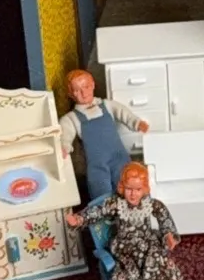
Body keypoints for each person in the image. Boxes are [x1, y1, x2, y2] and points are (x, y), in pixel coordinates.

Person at [66, 162, 201, 280]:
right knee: (127, 279)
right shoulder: (116, 204)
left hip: (149, 247)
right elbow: (97, 211)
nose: (133, 194)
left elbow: (164, 217)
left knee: (164, 275)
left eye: (138, 189)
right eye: (129, 189)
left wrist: (168, 235)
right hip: (127, 248)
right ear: (122, 187)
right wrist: (79, 219)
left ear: (144, 188)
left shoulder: (151, 204)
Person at [60, 68, 150, 201]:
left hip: (119, 157)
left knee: (128, 183)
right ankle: (105, 212)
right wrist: (64, 147)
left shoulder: (107, 105)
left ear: (93, 85)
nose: (84, 93)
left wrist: (136, 122)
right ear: (71, 94)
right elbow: (65, 134)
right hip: (97, 164)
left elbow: (123, 112)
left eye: (86, 87)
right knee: (101, 192)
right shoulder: (71, 118)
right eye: (77, 90)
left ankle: (132, 208)